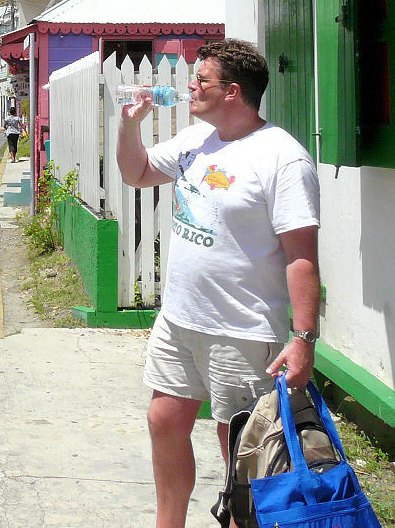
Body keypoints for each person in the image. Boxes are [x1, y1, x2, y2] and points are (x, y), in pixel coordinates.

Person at [115, 40, 320, 528]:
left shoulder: (281, 158)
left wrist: (304, 338)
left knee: (242, 449)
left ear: (232, 91)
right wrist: (129, 124)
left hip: (242, 329)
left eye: (201, 80)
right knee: (163, 421)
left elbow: (302, 257)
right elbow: (137, 171)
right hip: (181, 320)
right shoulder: (197, 140)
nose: (191, 87)